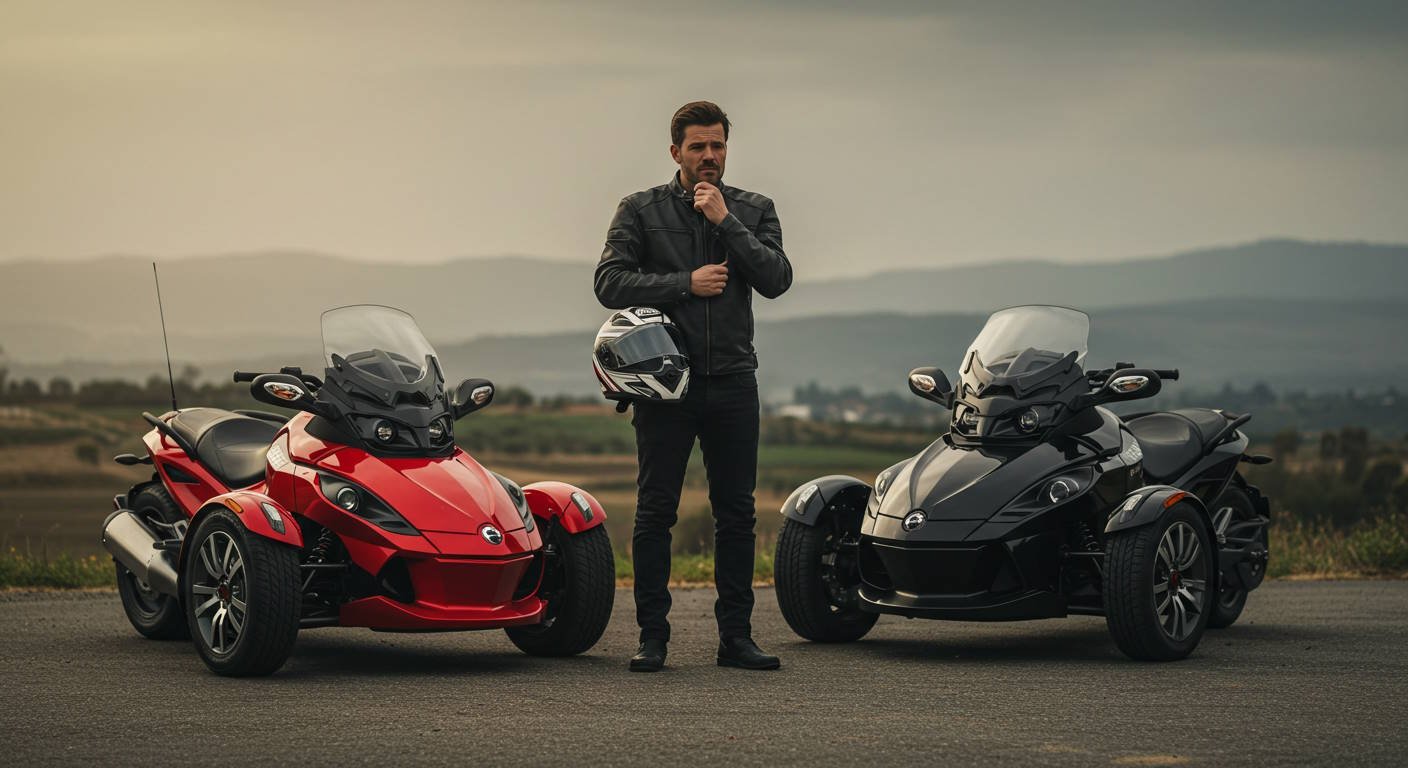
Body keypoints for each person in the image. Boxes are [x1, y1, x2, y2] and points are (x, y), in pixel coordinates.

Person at [594, 100, 793, 672]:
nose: (710, 156)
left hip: (734, 379)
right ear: (675, 151)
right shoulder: (639, 209)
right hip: (664, 385)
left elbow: (777, 279)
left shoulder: (754, 209)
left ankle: (736, 638)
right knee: (656, 512)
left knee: (737, 513)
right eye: (699, 146)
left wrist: (724, 221)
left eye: (719, 146)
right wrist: (685, 283)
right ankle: (652, 638)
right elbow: (609, 282)